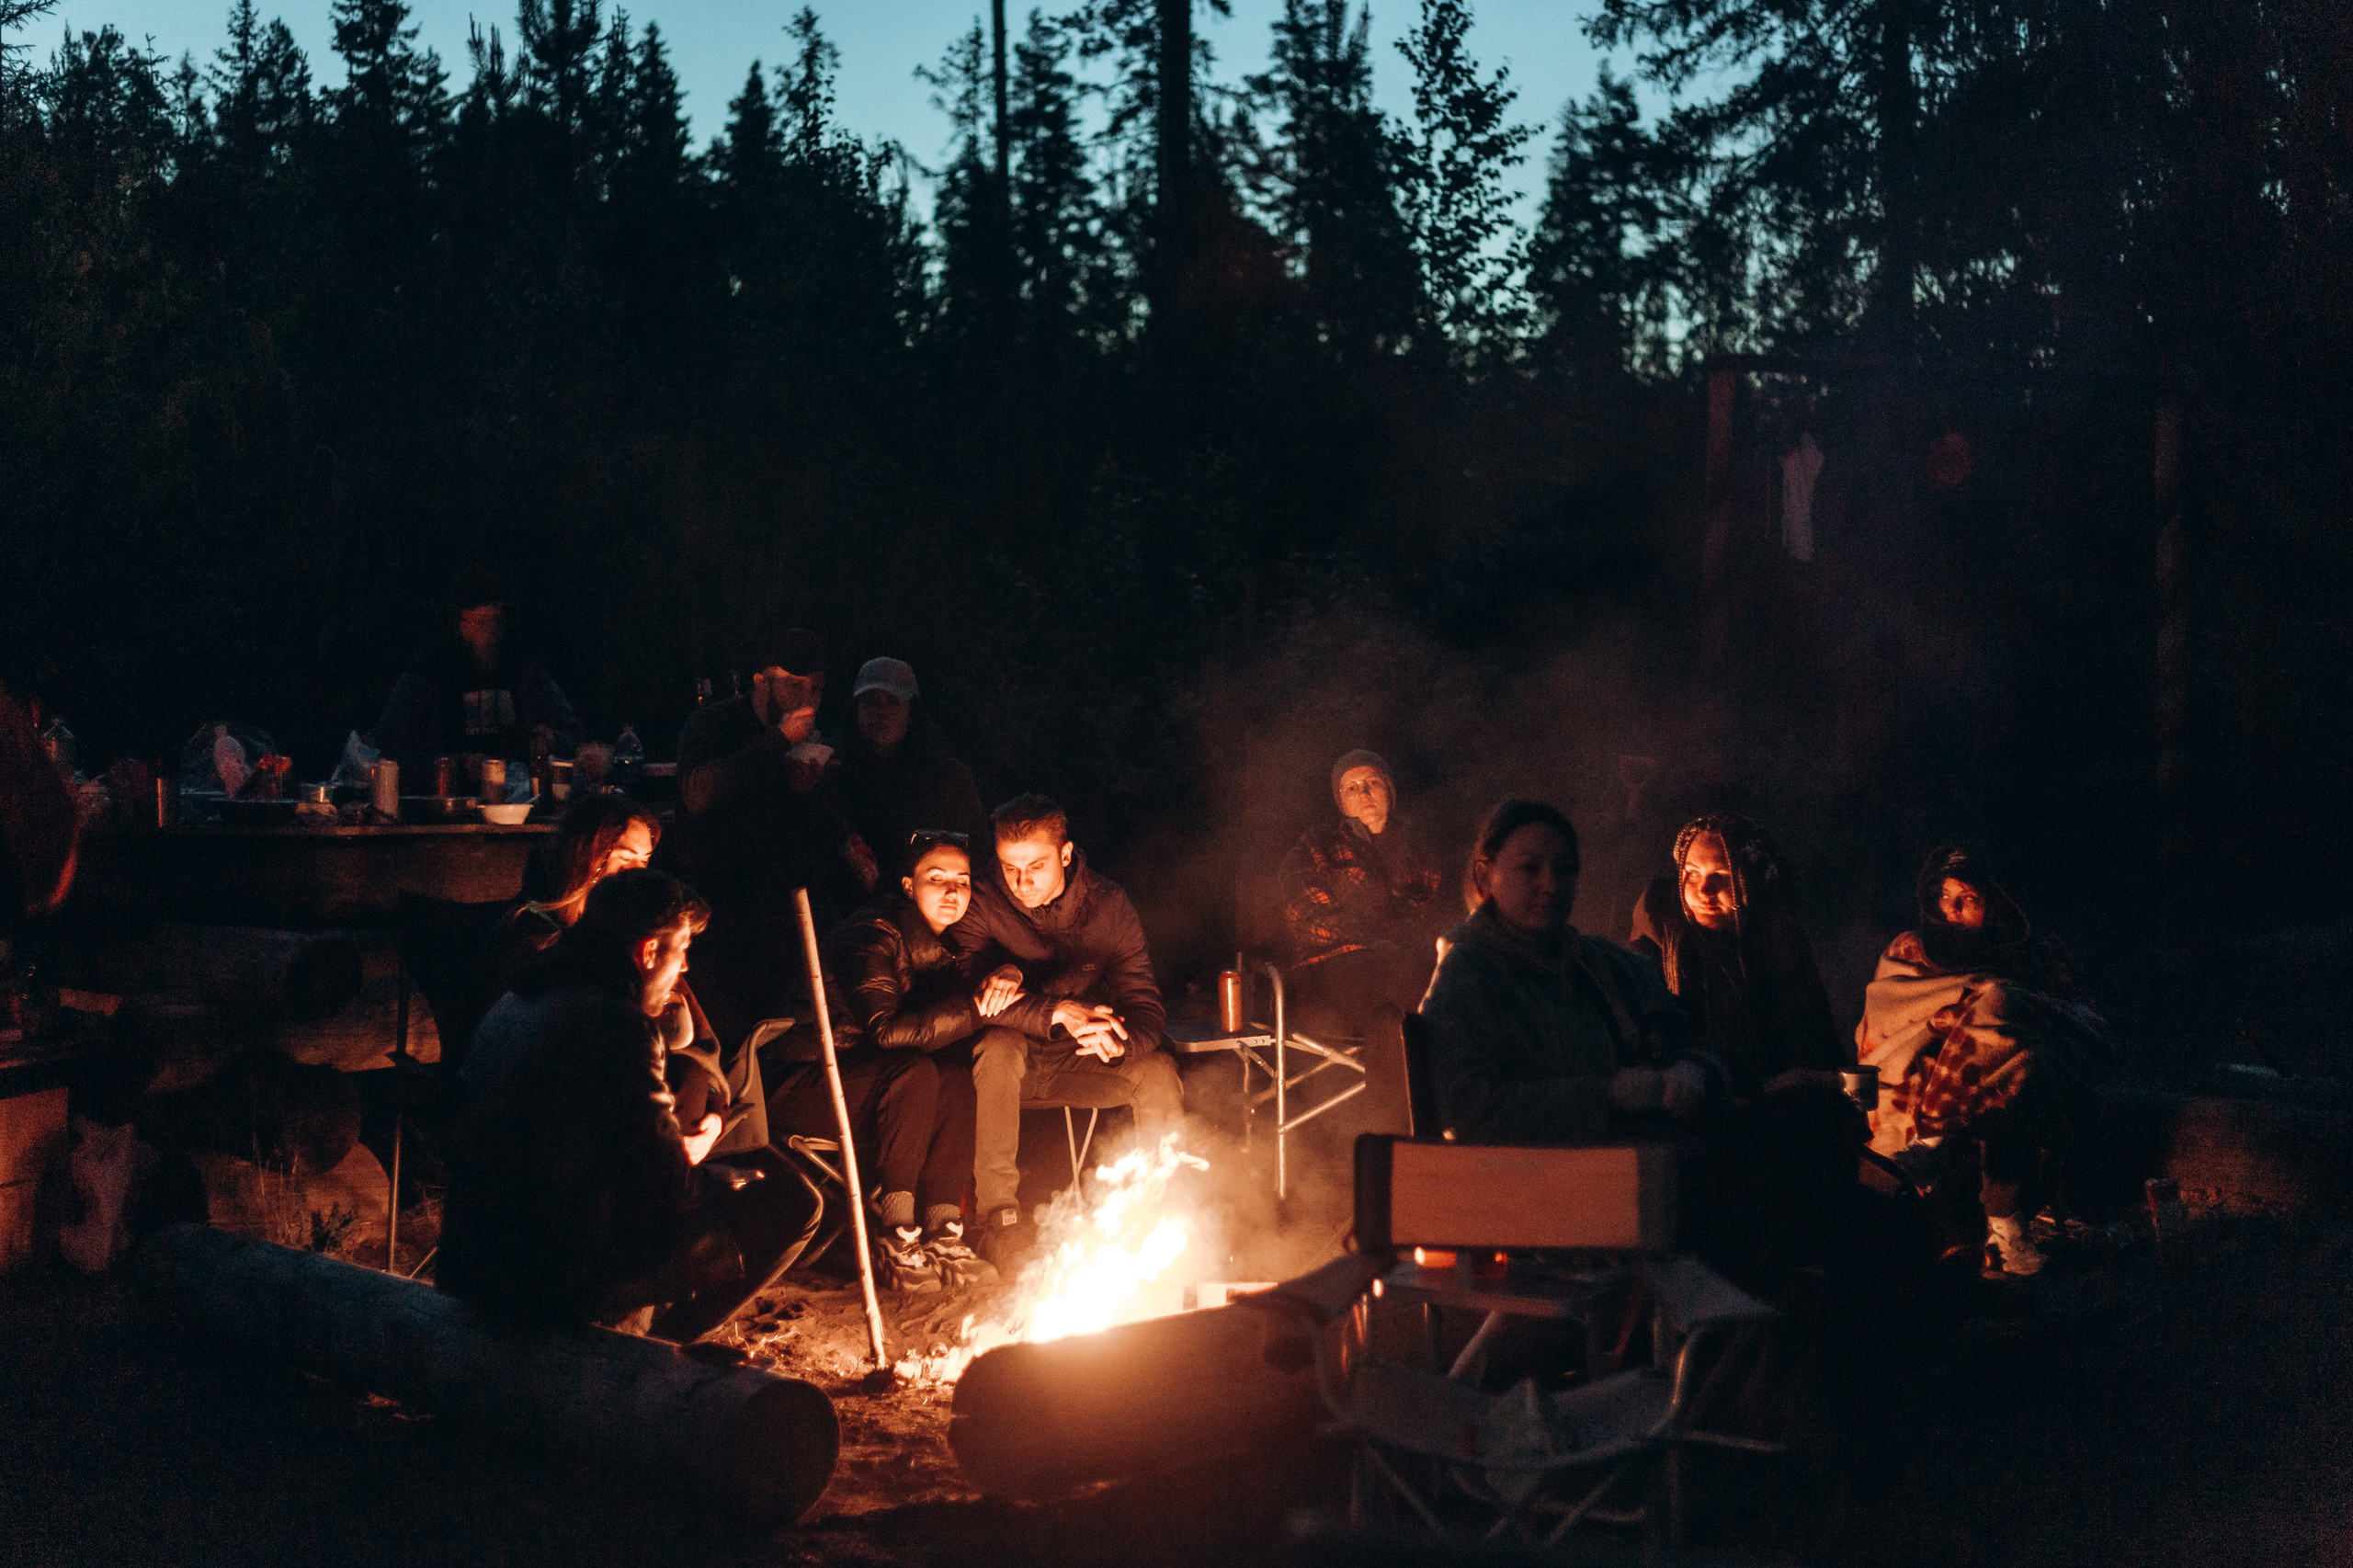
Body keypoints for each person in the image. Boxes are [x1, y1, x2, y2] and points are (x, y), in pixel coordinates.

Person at [438, 869, 822, 1341]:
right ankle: (660, 1350)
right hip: (549, 1280)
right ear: (648, 951)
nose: (684, 969)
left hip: (472, 1261)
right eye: (682, 951)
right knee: (792, 1200)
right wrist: (725, 1179)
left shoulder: (519, 999)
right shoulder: (617, 1025)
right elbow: (669, 1190)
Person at [946, 794, 1185, 1265]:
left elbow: (1146, 1007)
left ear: (1066, 854)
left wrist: (1116, 1042)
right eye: (1009, 867)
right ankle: (999, 1220)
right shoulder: (983, 900)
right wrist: (1060, 1011)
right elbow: (969, 995)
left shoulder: (1109, 907)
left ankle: (1162, 1213)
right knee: (998, 1045)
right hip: (997, 1071)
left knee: (1156, 1071)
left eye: (1036, 865)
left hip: (1077, 1061)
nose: (1022, 881)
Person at [1858, 846, 2106, 1275]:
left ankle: (1989, 1205)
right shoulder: (1911, 949)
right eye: (1943, 896)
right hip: (1927, 1066)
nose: (1952, 910)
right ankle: (1985, 1221)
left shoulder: (2032, 947)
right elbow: (1884, 1023)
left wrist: (1992, 1008)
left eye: (1968, 898)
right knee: (2014, 1054)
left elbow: (2080, 1019)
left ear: (1994, 900)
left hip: (2003, 1075)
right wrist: (1944, 1021)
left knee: (2019, 1049)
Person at [1420, 800, 1717, 1146]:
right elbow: (1466, 1110)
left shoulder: (1608, 964)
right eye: (1530, 868)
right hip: (1548, 1182)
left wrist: (1693, 1067)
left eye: (1564, 869)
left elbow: (1692, 1038)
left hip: (1653, 1159)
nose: (1550, 885)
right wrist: (1606, 1096)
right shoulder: (1469, 975)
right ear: (1485, 877)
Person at [770, 829, 991, 1290]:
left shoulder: (937, 947)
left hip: (861, 1079)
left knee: (954, 1079)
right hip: (801, 1080)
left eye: (963, 880)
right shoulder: (871, 935)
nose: (953, 891)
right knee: (915, 1072)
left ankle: (943, 1231)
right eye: (937, 877)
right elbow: (887, 1033)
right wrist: (975, 1009)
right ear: (909, 885)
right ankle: (896, 1233)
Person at [498, 796, 767, 1159]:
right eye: (625, 861)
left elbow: (698, 1044)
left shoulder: (646, 939)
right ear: (586, 860)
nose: (638, 876)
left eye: (644, 863)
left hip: (678, 1143)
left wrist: (714, 1119)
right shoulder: (542, 950)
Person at [665, 629, 875, 1051]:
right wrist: (777, 740)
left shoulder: (816, 744)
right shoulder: (716, 724)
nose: (807, 697)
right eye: (795, 684)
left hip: (780, 912)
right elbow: (698, 796)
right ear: (763, 682)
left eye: (815, 687)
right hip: (714, 903)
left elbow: (825, 833)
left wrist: (810, 791)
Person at [1275, 749, 1443, 1132]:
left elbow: (1428, 917)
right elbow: (1306, 915)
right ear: (1341, 801)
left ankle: (1395, 1144)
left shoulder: (1419, 850)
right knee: (1414, 986)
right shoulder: (1317, 846)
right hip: (1330, 971)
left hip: (1398, 976)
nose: (1363, 792)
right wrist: (1374, 940)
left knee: (1395, 1021)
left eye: (1372, 783)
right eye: (1351, 787)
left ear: (1390, 792)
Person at [1628, 813, 1845, 1097]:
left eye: (1721, 876)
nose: (1705, 891)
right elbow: (1649, 1061)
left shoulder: (1779, 941)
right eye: (1692, 874)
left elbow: (1812, 1044)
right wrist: (1758, 1089)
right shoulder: (1655, 942)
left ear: (1750, 881)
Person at [375, 576, 579, 785]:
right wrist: (454, 765)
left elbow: (572, 734)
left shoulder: (525, 671)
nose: (490, 631)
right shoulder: (428, 676)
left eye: (496, 621)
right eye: (481, 622)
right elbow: (389, 754)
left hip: (518, 795)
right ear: (460, 625)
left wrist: (550, 739)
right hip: (447, 799)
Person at [836, 658, 990, 885]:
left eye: (893, 702)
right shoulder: (832, 774)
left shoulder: (949, 780)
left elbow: (978, 855)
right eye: (871, 702)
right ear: (856, 711)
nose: (882, 712)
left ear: (911, 713)